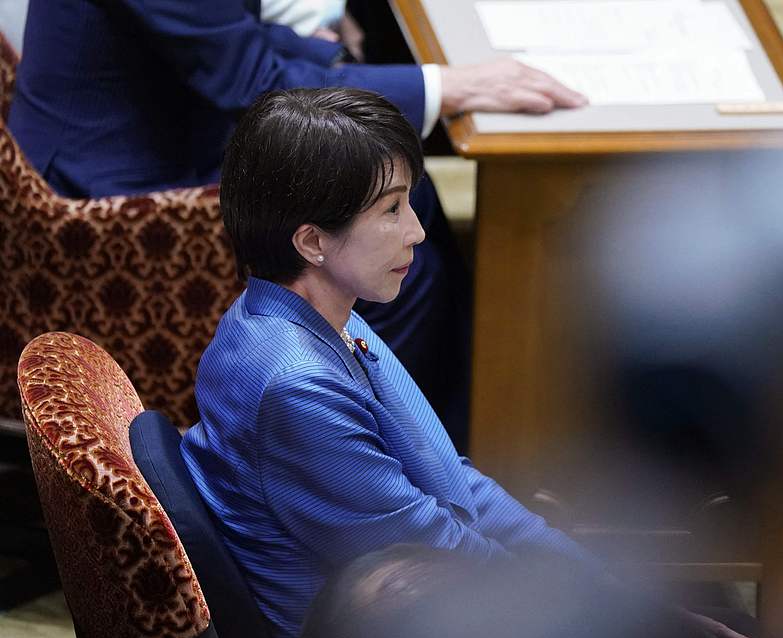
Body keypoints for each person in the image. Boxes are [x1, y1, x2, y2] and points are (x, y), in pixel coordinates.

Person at [8, 0, 586, 449]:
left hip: (161, 129)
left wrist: (325, 59)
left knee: (404, 212)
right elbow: (248, 79)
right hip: (112, 187)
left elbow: (230, 34)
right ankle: (369, 457)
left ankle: (453, 446)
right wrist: (448, 86)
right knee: (383, 222)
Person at [179, 88, 597, 638]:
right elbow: (436, 549)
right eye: (391, 210)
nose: (416, 233)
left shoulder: (321, 314)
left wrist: (596, 583)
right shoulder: (295, 386)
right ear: (313, 241)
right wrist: (595, 615)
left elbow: (451, 476)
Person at [298, 544, 783, 638]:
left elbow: (459, 484)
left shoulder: (358, 339)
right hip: (369, 634)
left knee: (735, 637)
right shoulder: (298, 385)